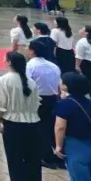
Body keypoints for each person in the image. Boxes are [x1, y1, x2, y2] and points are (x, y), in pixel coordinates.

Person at [0, 51, 43, 181]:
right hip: (33, 123)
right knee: (33, 157)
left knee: (15, 157)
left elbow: (0, 104)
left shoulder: (3, 80)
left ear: (9, 62)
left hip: (14, 124)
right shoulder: (31, 82)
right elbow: (37, 103)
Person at [26, 38, 65, 169]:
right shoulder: (53, 66)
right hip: (53, 99)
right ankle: (60, 156)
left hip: (38, 100)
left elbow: (27, 84)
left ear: (32, 51)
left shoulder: (30, 65)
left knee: (40, 129)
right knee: (51, 127)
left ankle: (47, 157)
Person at [76, 25, 91, 99]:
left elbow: (79, 56)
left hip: (86, 64)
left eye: (82, 29)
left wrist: (77, 66)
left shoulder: (82, 42)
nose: (80, 30)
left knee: (86, 83)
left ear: (86, 33)